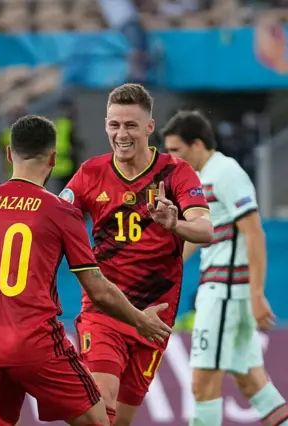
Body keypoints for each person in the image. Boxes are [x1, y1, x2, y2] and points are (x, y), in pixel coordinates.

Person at [0, 114, 172, 426]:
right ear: (53, 158)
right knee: (97, 420)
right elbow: (98, 290)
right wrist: (140, 321)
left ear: (9, 154)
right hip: (34, 344)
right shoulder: (59, 211)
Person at [59, 83, 214, 426]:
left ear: (148, 127)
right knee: (102, 401)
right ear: (105, 125)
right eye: (114, 125)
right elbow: (54, 217)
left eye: (130, 125)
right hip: (105, 308)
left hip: (155, 317)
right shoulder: (90, 173)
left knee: (121, 420)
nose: (121, 134)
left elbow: (205, 230)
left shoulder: (175, 173)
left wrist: (176, 224)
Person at [162, 110, 288, 426]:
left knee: (202, 384)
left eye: (176, 150)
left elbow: (254, 232)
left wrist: (257, 294)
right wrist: (164, 271)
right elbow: (202, 236)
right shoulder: (200, 180)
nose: (171, 158)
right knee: (252, 383)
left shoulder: (226, 173)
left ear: (197, 144)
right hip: (221, 291)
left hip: (225, 294)